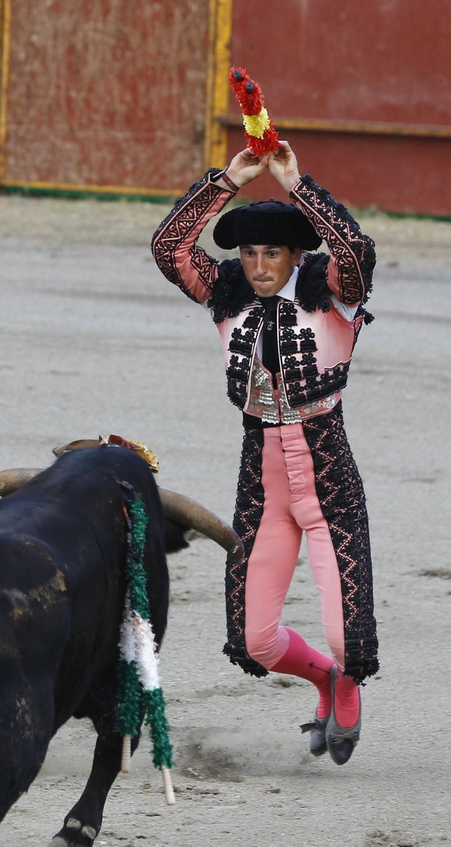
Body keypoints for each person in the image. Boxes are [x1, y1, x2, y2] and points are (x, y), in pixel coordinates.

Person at [151, 139, 379, 766]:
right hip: (262, 476)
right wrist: (227, 180)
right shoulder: (228, 296)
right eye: (247, 253)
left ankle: (348, 677)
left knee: (346, 634)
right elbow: (170, 250)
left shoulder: (330, 292)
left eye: (270, 252)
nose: (256, 265)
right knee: (254, 640)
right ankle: (325, 682)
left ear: (295, 254)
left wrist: (298, 185)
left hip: (328, 469)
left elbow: (357, 251)